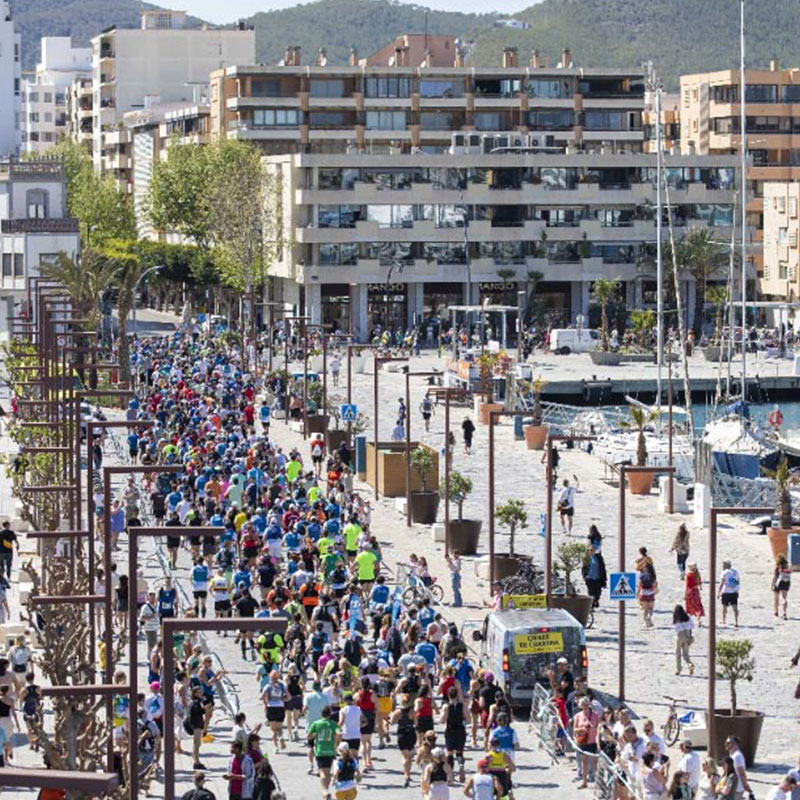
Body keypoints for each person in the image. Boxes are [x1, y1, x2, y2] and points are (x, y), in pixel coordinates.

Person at [307, 705, 339, 798]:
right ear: (330, 714)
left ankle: (325, 791)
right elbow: (339, 733)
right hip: (330, 750)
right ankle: (327, 789)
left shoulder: (316, 723)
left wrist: (316, 734)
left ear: (321, 714)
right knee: (328, 771)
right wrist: (337, 743)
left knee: (322, 772)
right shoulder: (333, 724)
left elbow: (308, 736)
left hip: (320, 750)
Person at [572, 696, 599, 788]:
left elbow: (599, 727)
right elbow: (574, 729)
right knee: (584, 761)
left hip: (593, 740)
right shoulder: (577, 716)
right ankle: (584, 781)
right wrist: (581, 729)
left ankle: (597, 782)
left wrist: (593, 728)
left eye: (586, 704)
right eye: (583, 705)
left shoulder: (595, 715)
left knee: (595, 761)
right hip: (583, 741)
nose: (585, 706)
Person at [635, 547, 658, 628]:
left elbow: (640, 585)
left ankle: (646, 622)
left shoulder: (642, 575)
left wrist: (637, 594)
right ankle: (649, 618)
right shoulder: (652, 575)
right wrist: (656, 590)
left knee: (644, 609)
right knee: (650, 608)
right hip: (651, 592)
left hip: (643, 592)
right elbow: (655, 584)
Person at [673, 604, 695, 676]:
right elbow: (692, 625)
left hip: (680, 635)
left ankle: (678, 669)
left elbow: (676, 628)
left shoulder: (677, 619)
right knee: (686, 653)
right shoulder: (687, 617)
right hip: (688, 635)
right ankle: (690, 664)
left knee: (678, 653)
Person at [718, 560, 741, 628]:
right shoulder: (735, 572)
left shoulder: (724, 573)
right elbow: (738, 581)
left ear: (726, 565)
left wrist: (719, 592)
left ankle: (724, 620)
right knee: (735, 607)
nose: (722, 566)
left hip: (726, 592)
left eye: (723, 565)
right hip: (734, 592)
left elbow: (722, 583)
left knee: (724, 607)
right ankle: (736, 622)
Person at [685, 562, 705, 627]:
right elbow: (700, 584)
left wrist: (685, 594)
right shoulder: (697, 574)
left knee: (690, 605)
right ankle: (699, 620)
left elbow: (687, 585)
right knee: (698, 605)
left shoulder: (689, 575)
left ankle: (688, 621)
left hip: (690, 591)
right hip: (696, 591)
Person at [773, 553, 791, 619]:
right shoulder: (787, 567)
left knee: (776, 599)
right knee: (784, 598)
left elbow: (775, 577)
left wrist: (772, 585)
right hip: (786, 583)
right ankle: (784, 613)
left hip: (778, 583)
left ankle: (776, 612)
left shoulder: (778, 567)